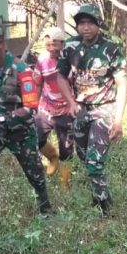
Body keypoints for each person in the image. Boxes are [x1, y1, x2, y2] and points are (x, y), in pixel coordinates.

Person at [0, 20, 52, 215]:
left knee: (35, 175)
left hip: (21, 133)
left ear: (0, 42)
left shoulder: (23, 71)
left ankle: (46, 210)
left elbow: (31, 108)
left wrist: (0, 119)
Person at [58, 4, 127, 215]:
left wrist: (118, 120)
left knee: (95, 161)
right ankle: (99, 194)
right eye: (81, 23)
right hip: (80, 110)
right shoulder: (70, 47)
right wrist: (70, 101)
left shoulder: (112, 49)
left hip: (104, 110)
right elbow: (60, 76)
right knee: (83, 157)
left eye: (90, 23)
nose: (85, 28)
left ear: (98, 24)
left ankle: (104, 208)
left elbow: (122, 84)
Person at [34, 27, 78, 190]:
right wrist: (33, 106)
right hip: (46, 108)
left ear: (62, 44)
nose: (51, 49)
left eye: (55, 45)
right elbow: (38, 83)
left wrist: (74, 104)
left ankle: (66, 184)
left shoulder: (71, 59)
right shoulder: (42, 60)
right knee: (36, 139)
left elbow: (79, 84)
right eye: (48, 45)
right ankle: (52, 157)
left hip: (66, 111)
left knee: (66, 151)